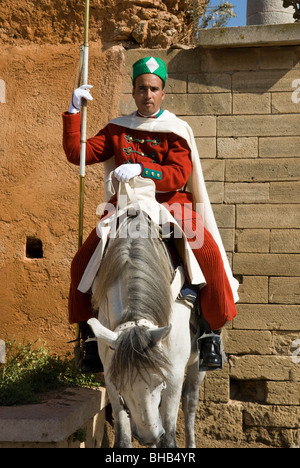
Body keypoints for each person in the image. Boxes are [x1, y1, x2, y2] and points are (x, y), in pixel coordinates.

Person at [62, 57, 239, 373]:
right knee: (82, 261)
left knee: (209, 255)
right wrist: (74, 111)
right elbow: (79, 154)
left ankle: (212, 333)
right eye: (141, 88)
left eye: (154, 89)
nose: (147, 94)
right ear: (133, 90)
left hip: (171, 205)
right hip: (126, 204)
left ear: (163, 92)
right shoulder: (118, 128)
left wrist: (142, 169)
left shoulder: (175, 129)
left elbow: (176, 175)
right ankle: (89, 337)